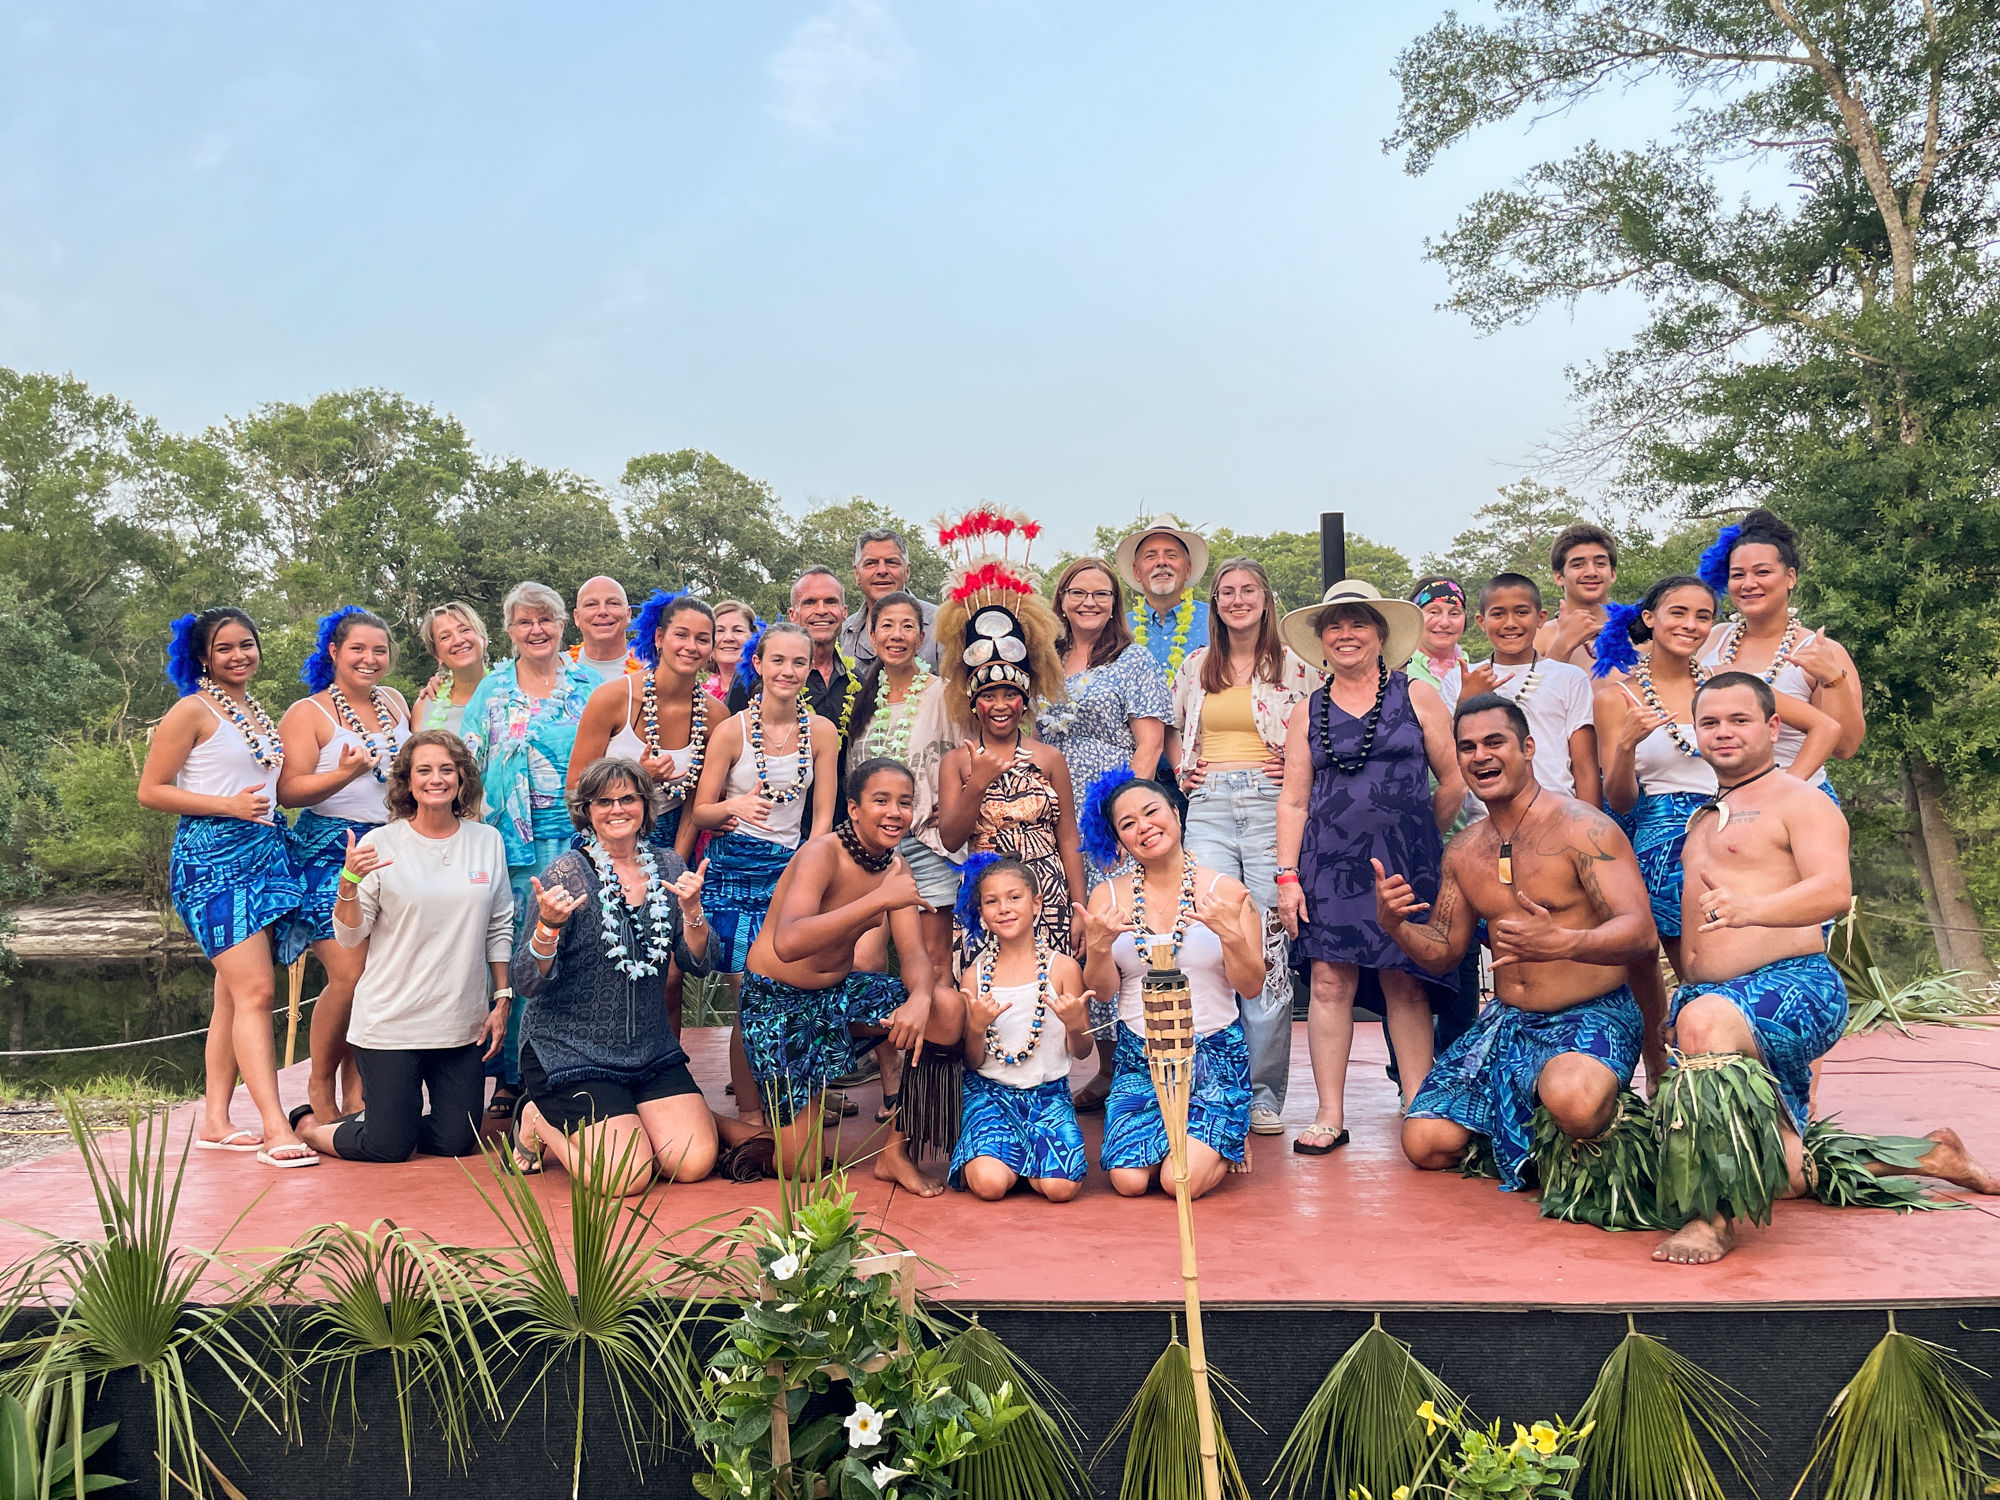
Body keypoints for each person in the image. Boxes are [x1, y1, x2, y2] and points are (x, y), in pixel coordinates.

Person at [1653, 673, 1997, 1264]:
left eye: (1739, 720)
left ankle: (1709, 1221)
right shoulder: (1703, 818)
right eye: (1709, 723)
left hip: (1790, 987)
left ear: (1772, 726)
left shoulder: (1800, 801)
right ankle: (1929, 1155)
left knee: (1706, 1022)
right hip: (1711, 1001)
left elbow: (1835, 891)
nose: (1723, 733)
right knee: (1782, 1174)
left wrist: (1752, 909)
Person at [1375, 695, 1659, 1188]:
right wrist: (1395, 924)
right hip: (1509, 1024)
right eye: (1466, 748)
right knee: (1424, 1142)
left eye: (1494, 742)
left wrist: (1563, 942)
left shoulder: (1584, 829)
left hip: (1592, 1011)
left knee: (1573, 1099)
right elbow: (1444, 950)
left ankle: (1589, 1115)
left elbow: (1640, 934)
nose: (1479, 756)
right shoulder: (1463, 851)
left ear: (1527, 747)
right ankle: (1527, 1131)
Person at [1275, 581, 1466, 1156]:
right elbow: (1293, 799)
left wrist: (1416, 830)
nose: (1346, 634)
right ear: (1322, 641)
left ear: (1381, 635)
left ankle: (1419, 1104)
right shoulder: (1308, 710)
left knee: (1404, 980)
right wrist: (1287, 875)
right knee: (1331, 982)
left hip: (1405, 863)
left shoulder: (1418, 696)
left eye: (1358, 623)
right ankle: (1329, 1114)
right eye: (1334, 626)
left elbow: (1454, 778)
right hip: (1327, 865)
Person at [508, 756, 745, 1191]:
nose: (617, 809)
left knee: (692, 1163)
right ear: (588, 811)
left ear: (644, 805)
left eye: (628, 799)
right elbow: (526, 980)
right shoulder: (566, 874)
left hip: (648, 1049)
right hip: (571, 1052)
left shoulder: (670, 867)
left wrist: (692, 912)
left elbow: (699, 964)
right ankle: (537, 1118)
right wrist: (548, 927)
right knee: (626, 1178)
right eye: (604, 802)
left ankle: (629, 1115)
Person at [1591, 576, 1838, 978]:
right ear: (1650, 618)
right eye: (1679, 613)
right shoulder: (1616, 698)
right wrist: (1626, 747)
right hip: (1667, 844)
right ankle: (1692, 1035)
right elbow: (1619, 801)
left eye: (1703, 616)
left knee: (1763, 959)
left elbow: (1826, 728)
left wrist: (1778, 792)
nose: (1691, 624)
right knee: (1699, 971)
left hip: (1743, 828)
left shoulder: (1726, 683)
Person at [138, 609, 313, 1167]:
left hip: (264, 853)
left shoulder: (251, 712)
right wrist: (228, 805)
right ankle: (272, 1126)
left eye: (247, 643)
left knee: (232, 996)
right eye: (224, 648)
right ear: (203, 658)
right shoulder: (191, 710)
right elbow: (151, 790)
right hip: (211, 859)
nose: (239, 655)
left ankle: (215, 1119)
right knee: (258, 992)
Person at [288, 731, 513, 1164]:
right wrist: (348, 883)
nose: (436, 779)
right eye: (424, 771)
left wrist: (501, 997)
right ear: (407, 782)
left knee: (456, 1143)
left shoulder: (487, 841)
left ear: (462, 778)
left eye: (447, 770)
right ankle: (312, 1127)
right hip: (391, 1023)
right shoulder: (379, 844)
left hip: (459, 1024)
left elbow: (499, 923)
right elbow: (351, 935)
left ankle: (391, 1119)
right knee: (388, 1146)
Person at [740, 758, 959, 1194]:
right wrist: (878, 900)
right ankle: (721, 1129)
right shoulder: (821, 853)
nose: (895, 812)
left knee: (946, 1010)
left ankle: (897, 1152)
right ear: (854, 808)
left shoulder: (895, 867)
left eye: (904, 802)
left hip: (837, 996)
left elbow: (914, 953)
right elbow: (788, 941)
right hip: (776, 1004)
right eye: (881, 801)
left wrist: (918, 999)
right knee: (802, 1166)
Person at [1167, 557, 1314, 1136]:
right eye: (1225, 592)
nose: (1236, 600)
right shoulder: (1198, 665)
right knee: (1208, 931)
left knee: (1267, 946)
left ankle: (1262, 1094)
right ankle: (1210, 1081)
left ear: (1265, 597)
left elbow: (1317, 730)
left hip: (1268, 805)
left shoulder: (1296, 666)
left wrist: (1296, 768)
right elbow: (1177, 729)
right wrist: (1184, 770)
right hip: (1207, 811)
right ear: (1215, 604)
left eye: (1247, 590)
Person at [1077, 774, 1264, 1199]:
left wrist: (1231, 935)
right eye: (1127, 824)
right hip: (1139, 1055)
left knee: (1177, 1182)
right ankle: (1199, 1133)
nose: (1143, 827)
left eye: (1151, 812)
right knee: (1128, 1182)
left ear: (1176, 814)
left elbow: (1251, 987)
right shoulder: (1105, 898)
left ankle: (1223, 1128)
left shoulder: (1227, 892)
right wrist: (1101, 949)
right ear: (1120, 841)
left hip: (1213, 1056)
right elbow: (1102, 992)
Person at [459, 581, 597, 1114]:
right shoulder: (491, 692)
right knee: (515, 951)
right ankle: (513, 1074)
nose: (535, 630)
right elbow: (468, 772)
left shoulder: (589, 685)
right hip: (509, 843)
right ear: (510, 630)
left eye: (545, 619)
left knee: (576, 948)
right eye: (523, 622)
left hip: (579, 837)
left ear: (563, 624)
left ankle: (573, 1065)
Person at [277, 606, 411, 1125]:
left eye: (379, 650)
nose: (370, 659)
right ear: (333, 652)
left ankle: (357, 1085)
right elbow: (289, 791)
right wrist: (344, 773)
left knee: (377, 975)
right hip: (329, 849)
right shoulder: (307, 713)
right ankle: (318, 1079)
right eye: (358, 648)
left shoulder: (397, 703)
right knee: (349, 971)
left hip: (392, 846)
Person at [689, 620, 844, 972]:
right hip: (734, 866)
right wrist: (734, 806)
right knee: (746, 986)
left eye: (798, 663)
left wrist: (809, 868)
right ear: (758, 664)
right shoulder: (731, 731)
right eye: (777, 661)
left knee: (778, 983)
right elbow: (701, 813)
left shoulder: (821, 732)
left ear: (808, 667)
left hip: (790, 865)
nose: (787, 671)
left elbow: (823, 815)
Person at [951, 855, 1095, 1200]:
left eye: (1014, 897)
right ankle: (1007, 1159)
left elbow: (1083, 1050)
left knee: (1060, 1189)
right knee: (988, 1186)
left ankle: (1025, 1161)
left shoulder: (1063, 969)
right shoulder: (975, 975)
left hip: (1048, 1096)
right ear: (982, 913)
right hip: (990, 1095)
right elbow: (971, 1061)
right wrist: (976, 1027)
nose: (1004, 908)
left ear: (1036, 903)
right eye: (991, 901)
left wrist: (1076, 1025)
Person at [1696, 508, 1866, 793]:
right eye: (1738, 574)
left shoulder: (1822, 651)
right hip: (1717, 799)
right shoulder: (1712, 640)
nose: (1749, 584)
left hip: (1795, 799)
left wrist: (1833, 679)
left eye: (1762, 572)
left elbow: (1846, 747)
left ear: (1789, 577)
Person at [1037, 556, 1171, 864]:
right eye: (1078, 593)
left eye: (1101, 594)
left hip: (1106, 803)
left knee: (1111, 902)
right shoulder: (1044, 659)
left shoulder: (1133, 659)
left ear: (1114, 604)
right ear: (1062, 600)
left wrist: (1125, 817)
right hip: (1052, 804)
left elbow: (1151, 745)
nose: (1089, 602)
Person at [569, 590, 715, 856]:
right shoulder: (613, 698)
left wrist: (676, 864)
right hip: (604, 840)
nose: (691, 646)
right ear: (659, 637)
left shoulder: (714, 715)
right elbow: (575, 788)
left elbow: (695, 804)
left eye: (702, 639)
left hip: (671, 842)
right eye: (681, 635)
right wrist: (638, 777)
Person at [1460, 574, 1600, 805]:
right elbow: (1449, 756)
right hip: (1487, 817)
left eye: (1522, 612)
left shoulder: (1569, 677)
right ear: (1481, 621)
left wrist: (1593, 828)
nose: (1510, 623)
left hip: (1560, 814)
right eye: (1497, 614)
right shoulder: (1463, 678)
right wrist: (1466, 699)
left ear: (1541, 618)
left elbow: (1585, 766)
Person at [726, 569, 859, 741]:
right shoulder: (753, 674)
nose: (821, 610)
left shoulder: (857, 682)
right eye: (810, 602)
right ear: (793, 615)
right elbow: (728, 739)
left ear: (844, 612)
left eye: (830, 602)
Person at [1113, 519, 1211, 684]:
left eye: (1171, 555)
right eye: (1151, 556)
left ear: (1187, 569)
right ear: (1137, 572)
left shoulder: (1215, 620)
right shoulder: (1119, 627)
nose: (1161, 562)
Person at [839, 528, 942, 670]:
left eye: (891, 562)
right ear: (857, 574)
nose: (882, 571)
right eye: (871, 563)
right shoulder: (843, 634)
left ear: (907, 571)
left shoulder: (942, 625)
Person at [1535, 523, 1619, 669]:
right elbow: (1524, 691)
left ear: (1612, 574)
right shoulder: (1538, 637)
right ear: (1559, 577)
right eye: (1578, 565)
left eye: (1600, 563)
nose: (1591, 572)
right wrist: (1564, 644)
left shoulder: (1641, 635)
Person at [412, 602, 490, 734]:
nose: (458, 640)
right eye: (445, 637)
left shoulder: (512, 694)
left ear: (483, 639)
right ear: (437, 655)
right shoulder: (425, 704)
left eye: (465, 630)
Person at [1404, 576, 1472, 710]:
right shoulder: (1397, 671)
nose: (1444, 622)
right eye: (1434, 612)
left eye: (1454, 614)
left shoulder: (1477, 671)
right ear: (1415, 617)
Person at [569, 576, 642, 683]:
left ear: (628, 614)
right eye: (591, 604)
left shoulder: (651, 672)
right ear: (576, 617)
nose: (602, 611)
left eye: (613, 603)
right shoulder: (557, 669)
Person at [706, 601, 758, 705]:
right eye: (719, 631)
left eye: (738, 630)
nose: (728, 638)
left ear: (754, 637)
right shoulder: (698, 696)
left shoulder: (766, 690)